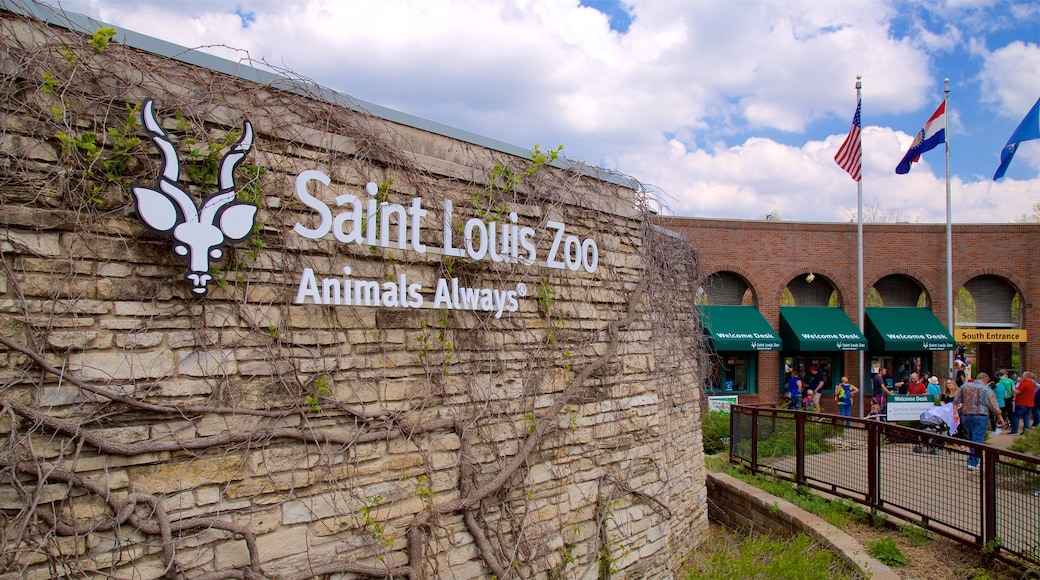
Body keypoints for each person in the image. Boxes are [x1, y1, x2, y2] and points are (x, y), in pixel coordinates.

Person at [953, 372, 1006, 471]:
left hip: (966, 416)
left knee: (971, 438)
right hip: (980, 416)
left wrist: (955, 413)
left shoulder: (964, 386)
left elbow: (956, 401)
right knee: (977, 440)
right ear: (986, 380)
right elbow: (994, 406)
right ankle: (973, 463)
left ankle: (973, 460)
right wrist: (999, 417)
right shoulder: (986, 390)